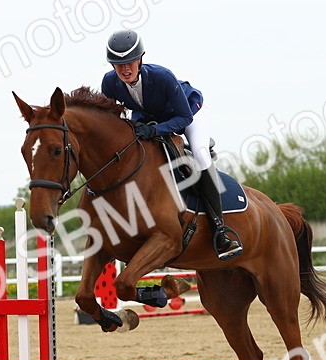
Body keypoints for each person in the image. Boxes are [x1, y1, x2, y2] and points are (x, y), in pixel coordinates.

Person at [100, 29, 243, 260]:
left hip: (189, 112)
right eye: (118, 64)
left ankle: (220, 229)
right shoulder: (109, 83)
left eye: (129, 62)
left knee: (199, 153)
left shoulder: (162, 76)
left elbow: (184, 118)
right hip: (148, 116)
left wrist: (155, 130)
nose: (125, 69)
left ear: (140, 59)